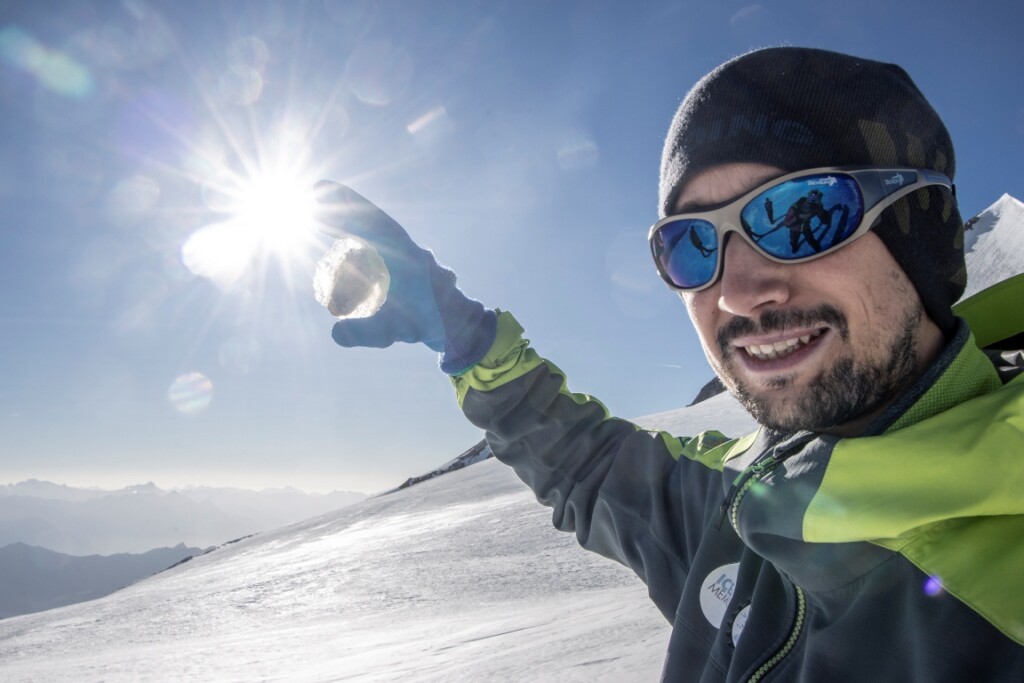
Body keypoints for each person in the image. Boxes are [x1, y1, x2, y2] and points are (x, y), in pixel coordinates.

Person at [319, 47, 1024, 681]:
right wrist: (463, 331)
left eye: (802, 212)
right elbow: (588, 466)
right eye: (692, 244)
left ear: (920, 229)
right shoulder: (748, 499)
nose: (740, 293)